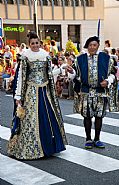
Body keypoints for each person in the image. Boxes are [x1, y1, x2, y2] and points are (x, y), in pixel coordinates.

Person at [7, 31, 67, 160]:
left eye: (37, 43)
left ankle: (48, 148)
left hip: (45, 92)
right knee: (31, 120)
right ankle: (32, 148)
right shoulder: (25, 56)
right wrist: (18, 96)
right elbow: (21, 78)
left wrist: (61, 69)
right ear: (29, 44)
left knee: (48, 117)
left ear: (40, 43)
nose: (35, 45)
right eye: (32, 43)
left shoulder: (45, 56)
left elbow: (50, 74)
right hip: (31, 92)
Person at [67, 36, 118, 149]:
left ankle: (97, 138)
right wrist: (71, 72)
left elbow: (113, 74)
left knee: (99, 116)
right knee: (87, 116)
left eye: (94, 45)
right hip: (86, 92)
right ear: (87, 46)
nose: (92, 47)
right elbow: (75, 74)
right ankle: (88, 138)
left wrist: (108, 81)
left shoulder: (106, 58)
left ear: (98, 46)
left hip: (101, 92)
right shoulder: (79, 59)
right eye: (90, 45)